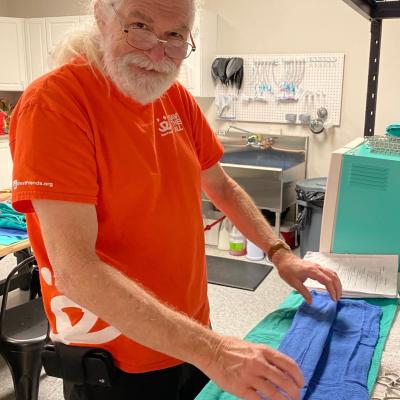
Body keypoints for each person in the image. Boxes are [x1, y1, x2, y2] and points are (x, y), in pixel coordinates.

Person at [9, 0, 342, 399]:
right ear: (101, 16)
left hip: (187, 339)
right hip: (116, 362)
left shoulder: (174, 97)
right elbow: (76, 269)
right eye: (140, 26)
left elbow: (222, 187)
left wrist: (278, 252)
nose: (157, 51)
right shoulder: (56, 103)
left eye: (175, 35)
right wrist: (217, 352)